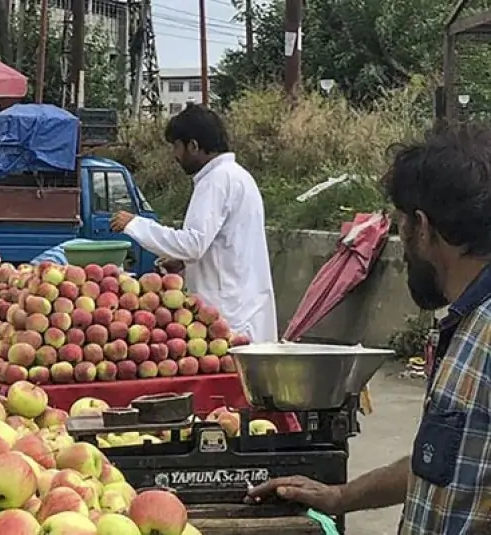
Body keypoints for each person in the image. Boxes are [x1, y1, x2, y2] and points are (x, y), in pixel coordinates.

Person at [247, 123, 491, 533]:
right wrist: (341, 496)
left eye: (401, 227)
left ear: (423, 227)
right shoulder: (465, 325)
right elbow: (441, 463)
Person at [110, 104, 277, 342]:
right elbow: (223, 243)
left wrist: (136, 224)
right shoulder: (238, 176)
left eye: (176, 147)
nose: (175, 156)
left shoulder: (215, 181)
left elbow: (194, 243)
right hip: (244, 305)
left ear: (194, 146)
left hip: (227, 313)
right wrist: (183, 262)